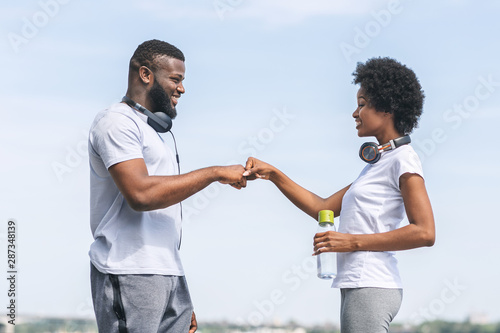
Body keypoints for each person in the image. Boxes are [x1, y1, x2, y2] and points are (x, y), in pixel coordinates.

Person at [243, 57, 435, 332]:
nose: (354, 113)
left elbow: (425, 232)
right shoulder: (379, 164)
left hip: (372, 283)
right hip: (357, 283)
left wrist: (351, 242)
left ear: (387, 108)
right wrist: (274, 174)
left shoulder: (403, 160)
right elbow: (322, 208)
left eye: (362, 104)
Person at [88, 39, 247, 333]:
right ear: (146, 75)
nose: (182, 89)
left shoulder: (154, 133)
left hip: (168, 274)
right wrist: (215, 173)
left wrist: (177, 291)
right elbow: (141, 194)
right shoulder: (116, 122)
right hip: (130, 270)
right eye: (176, 79)